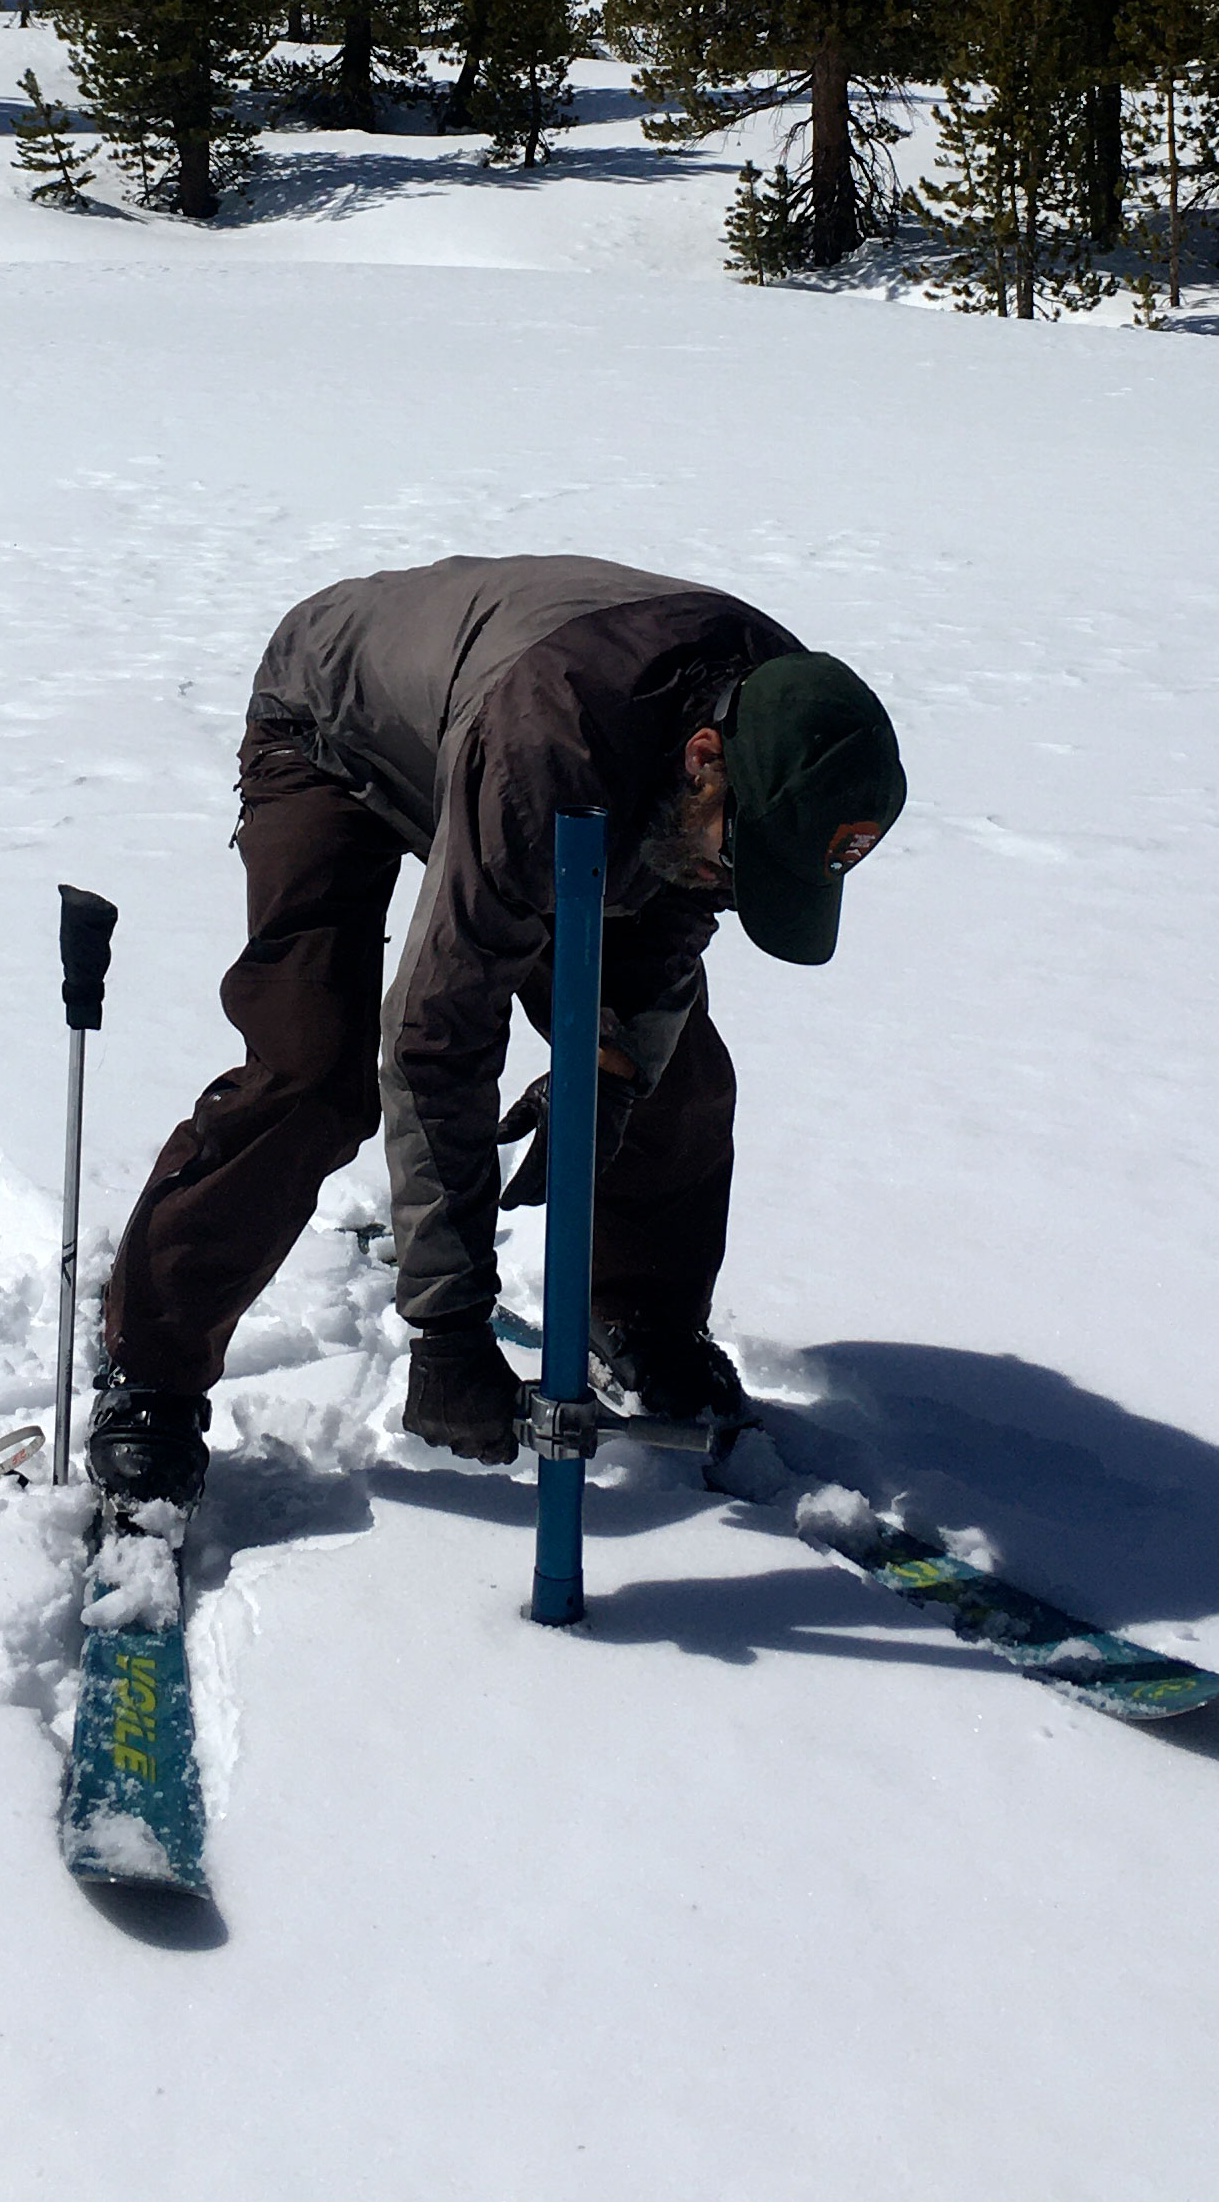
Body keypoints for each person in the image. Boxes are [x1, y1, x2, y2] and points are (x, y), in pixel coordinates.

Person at [82, 554, 905, 1514]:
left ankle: (642, 1322)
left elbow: (688, 896)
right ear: (702, 759)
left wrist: (613, 1062)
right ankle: (152, 1371)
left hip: (524, 739)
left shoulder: (787, 729)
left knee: (674, 1068)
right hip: (332, 729)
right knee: (312, 1069)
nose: (735, 886)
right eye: (742, 860)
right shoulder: (552, 747)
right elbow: (438, 1037)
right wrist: (450, 1334)